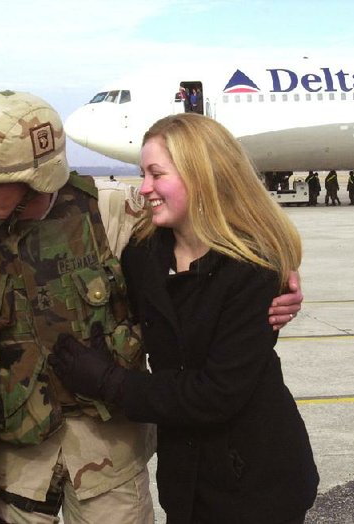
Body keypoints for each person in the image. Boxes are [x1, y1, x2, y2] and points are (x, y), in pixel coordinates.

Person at [0, 90, 304, 523]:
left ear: (35, 178)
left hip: (108, 458)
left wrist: (281, 276)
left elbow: (211, 240)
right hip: (17, 463)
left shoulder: (110, 213)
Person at [50, 113, 319, 523]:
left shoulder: (253, 268)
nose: (144, 188)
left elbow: (217, 394)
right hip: (187, 480)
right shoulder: (143, 255)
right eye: (142, 174)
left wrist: (107, 381)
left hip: (258, 481)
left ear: (202, 175)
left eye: (157, 174)